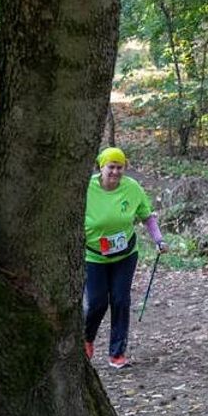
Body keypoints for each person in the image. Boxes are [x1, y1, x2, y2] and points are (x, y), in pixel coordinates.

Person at [83, 147, 168, 369]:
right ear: (102, 167)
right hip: (93, 255)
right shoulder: (86, 187)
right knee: (96, 302)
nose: (115, 171)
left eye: (119, 167)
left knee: (120, 300)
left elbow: (147, 218)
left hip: (125, 254)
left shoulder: (132, 188)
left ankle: (117, 353)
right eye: (111, 167)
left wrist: (159, 240)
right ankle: (86, 339)